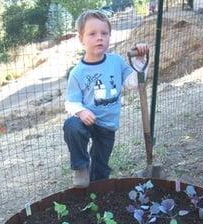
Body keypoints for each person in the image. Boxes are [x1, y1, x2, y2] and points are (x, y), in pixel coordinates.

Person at [63, 10, 149, 188]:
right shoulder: (77, 72)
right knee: (72, 126)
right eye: (92, 34)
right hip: (88, 121)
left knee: (101, 170)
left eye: (104, 33)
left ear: (110, 36)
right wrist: (81, 111)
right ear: (81, 39)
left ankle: (95, 195)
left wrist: (140, 62)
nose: (99, 38)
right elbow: (71, 101)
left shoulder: (115, 61)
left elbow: (132, 83)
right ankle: (80, 168)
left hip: (107, 126)